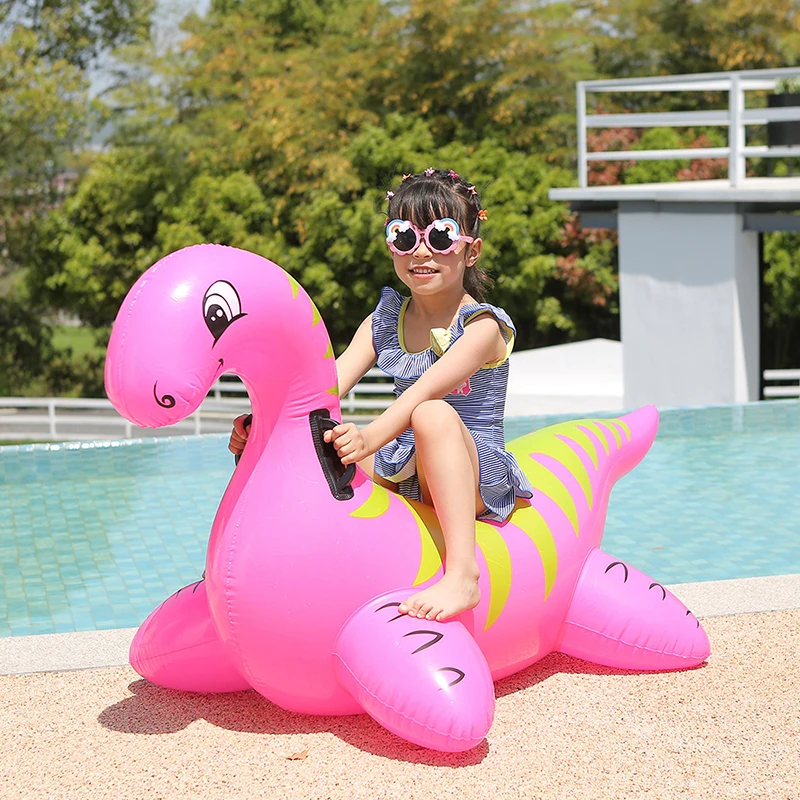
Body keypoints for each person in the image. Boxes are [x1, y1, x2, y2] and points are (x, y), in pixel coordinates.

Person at [229, 167, 533, 621]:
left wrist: (371, 437)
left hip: (471, 471)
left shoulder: (482, 327)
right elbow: (319, 391)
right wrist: (262, 426)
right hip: (404, 462)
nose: (422, 251)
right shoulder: (383, 321)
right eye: (405, 236)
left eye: (441, 236)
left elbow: (425, 393)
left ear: (471, 251)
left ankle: (463, 574)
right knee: (323, 440)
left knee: (430, 413)